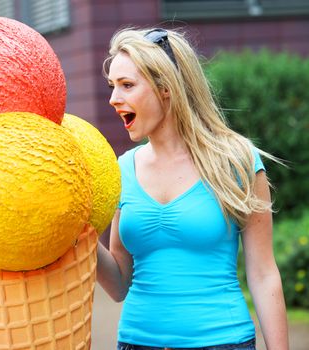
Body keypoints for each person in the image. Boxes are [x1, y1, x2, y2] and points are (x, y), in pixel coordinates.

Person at [96, 27, 289, 350]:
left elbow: (263, 273)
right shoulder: (122, 169)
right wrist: (79, 234)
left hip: (223, 341)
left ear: (166, 87)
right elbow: (118, 285)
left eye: (127, 85)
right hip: (136, 342)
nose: (114, 99)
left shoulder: (237, 160)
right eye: (113, 86)